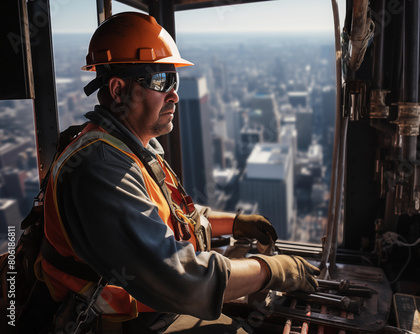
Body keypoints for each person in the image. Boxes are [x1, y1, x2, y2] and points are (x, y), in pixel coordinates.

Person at [35, 11, 319, 333]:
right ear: (117, 91)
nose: (174, 95)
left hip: (152, 307)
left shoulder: (133, 146)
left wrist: (235, 223)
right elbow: (179, 279)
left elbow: (169, 215)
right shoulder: (100, 169)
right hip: (122, 322)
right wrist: (270, 270)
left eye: (175, 80)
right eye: (160, 81)